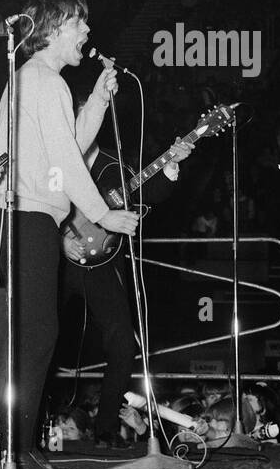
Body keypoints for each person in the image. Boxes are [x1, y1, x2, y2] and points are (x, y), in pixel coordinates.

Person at [0, 0, 139, 469]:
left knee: (35, 334)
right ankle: (15, 449)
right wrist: (102, 214)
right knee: (37, 335)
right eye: (80, 24)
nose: (87, 33)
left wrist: (97, 100)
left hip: (28, 217)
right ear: (53, 28)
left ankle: (17, 448)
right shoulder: (43, 80)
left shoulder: (43, 83)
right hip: (25, 217)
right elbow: (68, 162)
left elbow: (64, 146)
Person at [59, 133, 195, 448]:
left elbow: (151, 192)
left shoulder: (114, 165)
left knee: (122, 343)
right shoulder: (58, 160)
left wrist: (171, 162)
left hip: (102, 267)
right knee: (41, 337)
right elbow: (35, 209)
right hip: (58, 262)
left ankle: (106, 428)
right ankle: (31, 431)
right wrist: (59, 238)